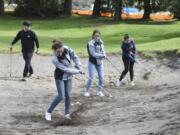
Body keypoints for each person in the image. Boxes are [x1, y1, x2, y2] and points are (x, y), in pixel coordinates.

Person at [45, 41, 82, 121]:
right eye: (58, 52)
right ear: (55, 51)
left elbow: (74, 57)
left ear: (62, 47)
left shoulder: (67, 48)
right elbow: (65, 69)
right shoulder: (54, 59)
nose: (60, 53)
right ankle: (48, 112)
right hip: (60, 77)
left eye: (61, 50)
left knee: (68, 95)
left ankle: (67, 114)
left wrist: (79, 66)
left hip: (69, 76)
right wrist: (77, 71)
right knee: (61, 96)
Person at [85, 30, 106, 97]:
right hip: (92, 62)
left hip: (100, 62)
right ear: (93, 36)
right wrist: (102, 55)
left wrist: (104, 54)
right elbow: (93, 54)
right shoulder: (90, 43)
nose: (97, 37)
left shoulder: (101, 42)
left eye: (98, 36)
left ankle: (99, 91)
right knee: (91, 77)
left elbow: (103, 50)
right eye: (96, 36)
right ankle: (87, 91)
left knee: (101, 77)